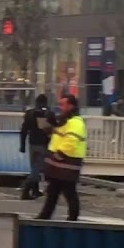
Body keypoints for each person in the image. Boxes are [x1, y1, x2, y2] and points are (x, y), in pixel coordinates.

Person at [36, 93, 87, 221]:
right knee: (54, 191)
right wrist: (49, 128)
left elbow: (71, 140)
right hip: (60, 164)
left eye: (62, 105)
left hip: (66, 162)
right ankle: (45, 216)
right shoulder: (66, 121)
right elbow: (59, 136)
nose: (60, 107)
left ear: (71, 106)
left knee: (68, 192)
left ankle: (71, 218)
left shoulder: (75, 122)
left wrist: (60, 154)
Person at [18, 94, 51, 200]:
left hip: (32, 144)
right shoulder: (48, 114)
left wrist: (22, 145)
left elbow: (23, 131)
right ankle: (26, 191)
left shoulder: (29, 114)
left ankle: (35, 191)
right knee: (37, 169)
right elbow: (53, 130)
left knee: (34, 167)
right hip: (43, 144)